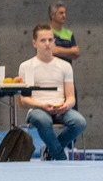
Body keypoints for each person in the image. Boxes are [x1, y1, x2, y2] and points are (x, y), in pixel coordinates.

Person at [18, 23, 86, 161]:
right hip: (38, 109)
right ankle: (60, 157)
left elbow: (71, 97)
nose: (47, 43)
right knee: (43, 120)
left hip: (60, 108)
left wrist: (66, 106)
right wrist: (42, 106)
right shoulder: (26, 66)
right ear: (34, 43)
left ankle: (50, 151)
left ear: (54, 41)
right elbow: (24, 100)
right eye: (43, 40)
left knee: (80, 122)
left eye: (50, 40)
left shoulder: (65, 66)